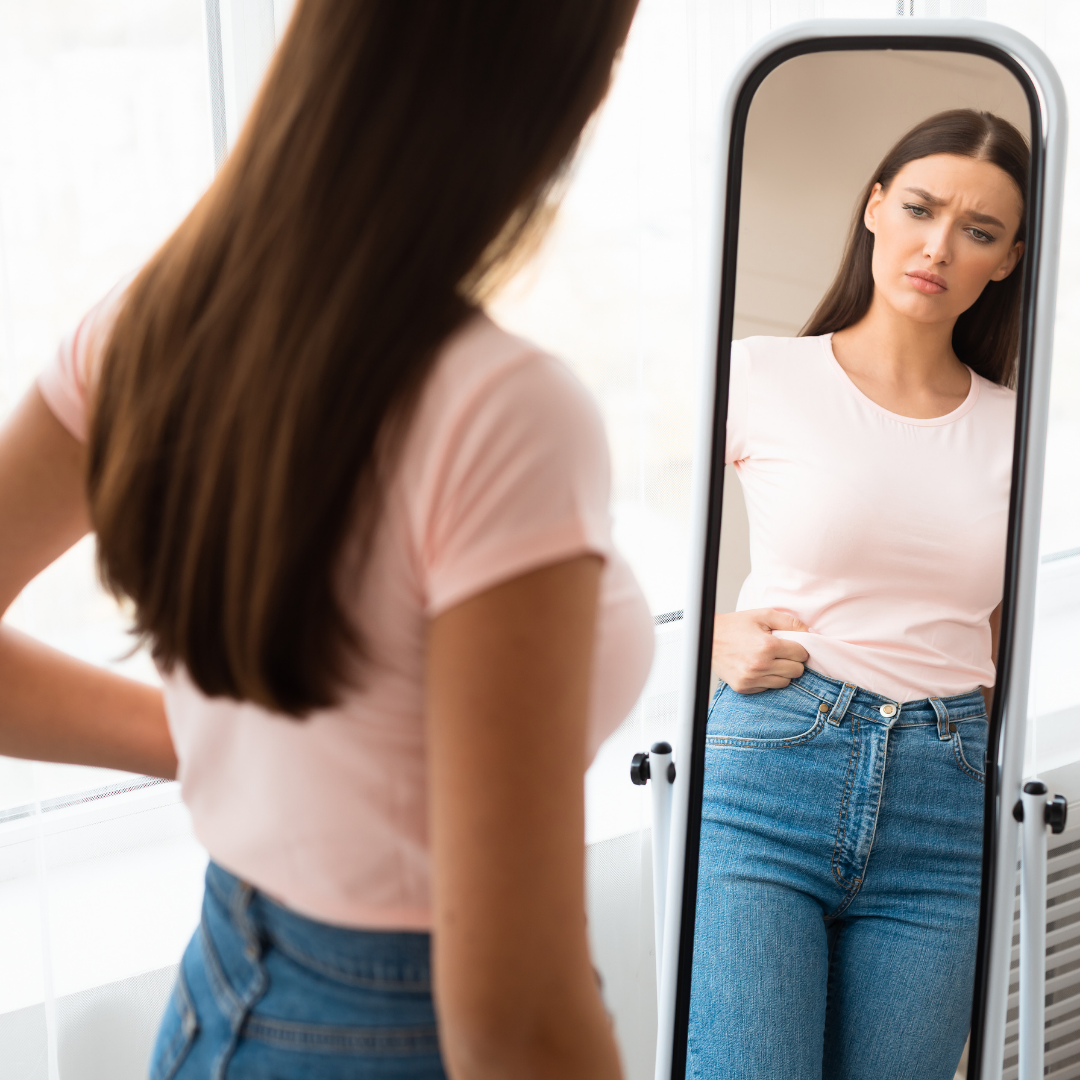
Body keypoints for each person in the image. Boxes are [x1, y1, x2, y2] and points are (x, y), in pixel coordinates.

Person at [0, 2, 654, 1077]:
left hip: (224, 997)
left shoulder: (147, 327)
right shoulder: (503, 411)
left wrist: (226, 737)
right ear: (542, 89)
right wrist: (206, 734)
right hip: (392, 1032)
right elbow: (513, 1023)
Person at [688, 109, 1027, 1080]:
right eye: (920, 207)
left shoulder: (1020, 431)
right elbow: (605, 545)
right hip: (770, 769)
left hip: (945, 797)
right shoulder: (760, 372)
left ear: (1005, 262)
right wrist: (711, 635)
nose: (938, 246)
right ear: (875, 207)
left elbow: (1000, 629)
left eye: (979, 231)